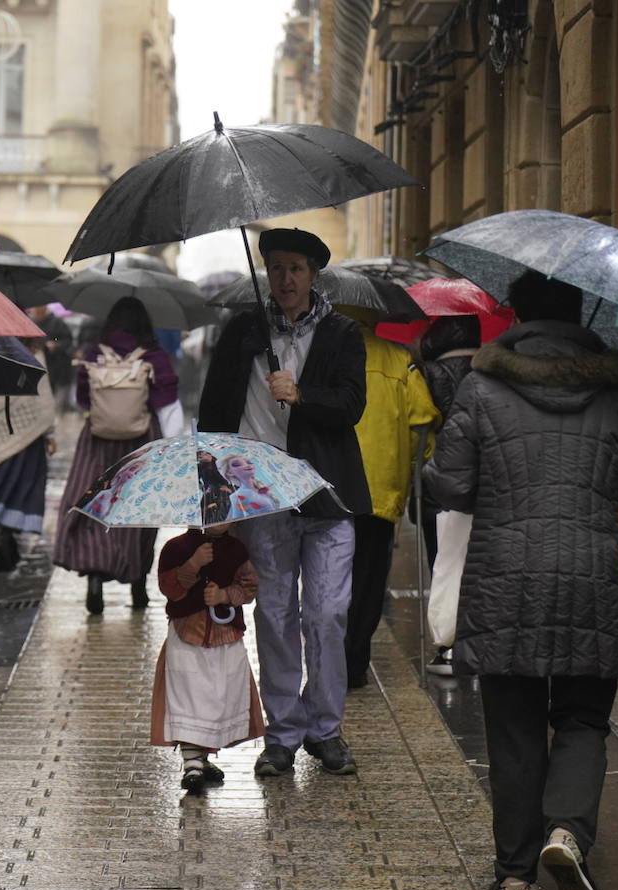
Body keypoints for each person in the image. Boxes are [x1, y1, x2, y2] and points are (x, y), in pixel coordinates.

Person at [422, 270, 618, 890]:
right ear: (579, 316)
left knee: (515, 730)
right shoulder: (614, 391)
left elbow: (454, 488)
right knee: (582, 719)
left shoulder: (482, 386)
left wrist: (435, 462)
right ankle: (566, 832)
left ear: (518, 315)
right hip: (590, 579)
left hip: (506, 585)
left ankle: (516, 881)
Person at [197, 227, 369, 778]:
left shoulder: (342, 333)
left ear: (315, 273)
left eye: (296, 268)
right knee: (274, 614)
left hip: (327, 495)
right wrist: (214, 489)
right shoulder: (243, 331)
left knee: (326, 614)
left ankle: (326, 728)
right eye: (276, 268)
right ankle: (283, 733)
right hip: (262, 497)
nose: (286, 279)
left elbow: (350, 406)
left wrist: (302, 395)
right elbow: (214, 412)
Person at [53, 297, 183, 614]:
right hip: (141, 443)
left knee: (95, 503)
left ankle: (95, 578)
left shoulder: (96, 354)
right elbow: (168, 407)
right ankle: (137, 583)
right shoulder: (154, 356)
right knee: (139, 510)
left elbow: (82, 400)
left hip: (97, 442)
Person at [336, 303, 439, 691]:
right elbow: (423, 419)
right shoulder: (398, 360)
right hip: (380, 490)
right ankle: (355, 662)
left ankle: (326, 657)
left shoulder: (323, 355)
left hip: (331, 488)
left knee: (328, 576)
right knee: (368, 578)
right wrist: (412, 459)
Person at [151, 521, 261, 794]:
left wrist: (225, 595)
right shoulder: (176, 548)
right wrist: (192, 565)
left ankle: (202, 755)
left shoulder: (236, 549)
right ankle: (192, 762)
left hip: (225, 635)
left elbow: (249, 586)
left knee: (218, 694)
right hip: (187, 633)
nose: (219, 521)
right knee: (189, 694)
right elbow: (169, 588)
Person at [417, 313, 482, 677]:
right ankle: (473, 636)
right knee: (476, 563)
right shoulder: (491, 373)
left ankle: (447, 644)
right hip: (483, 483)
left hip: (439, 484)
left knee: (443, 563)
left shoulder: (428, 372)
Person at [0, 344, 56, 572]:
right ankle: (9, 532)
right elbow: (42, 396)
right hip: (27, 435)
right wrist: (50, 433)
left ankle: (1, 532)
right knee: (21, 486)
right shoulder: (32, 351)